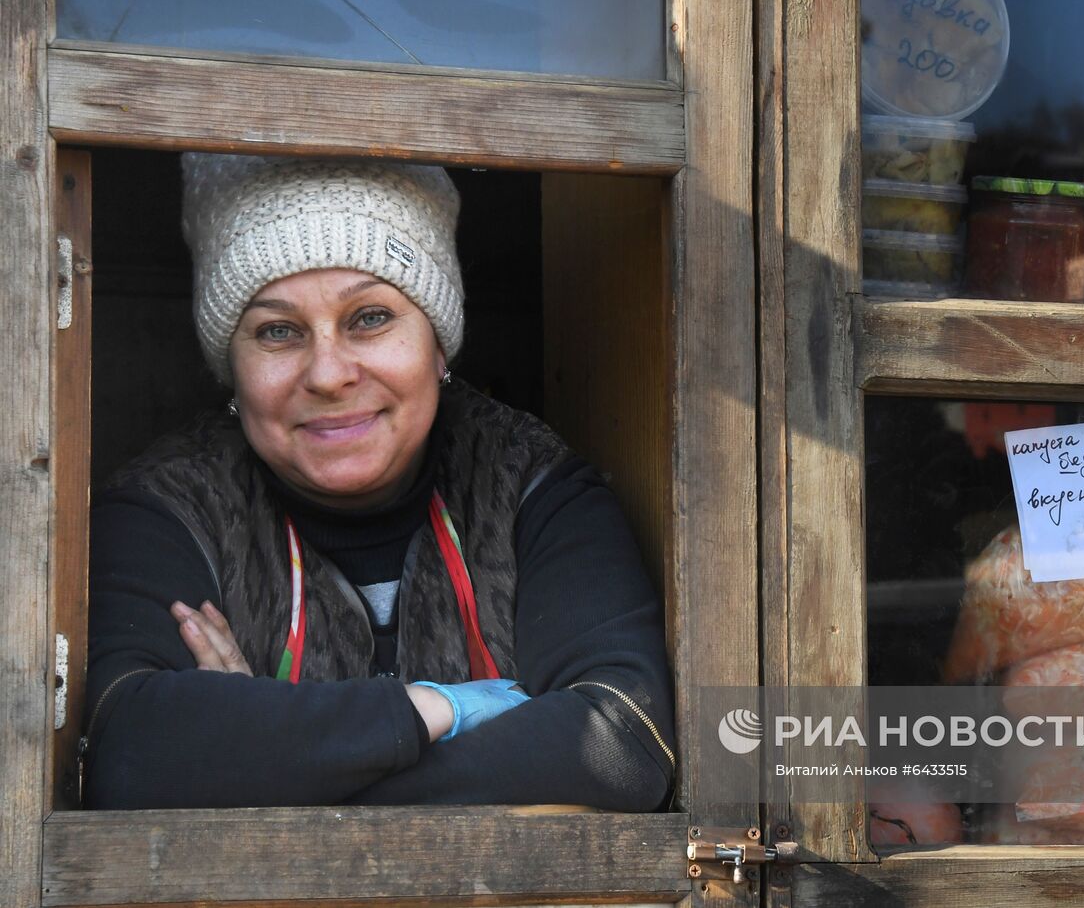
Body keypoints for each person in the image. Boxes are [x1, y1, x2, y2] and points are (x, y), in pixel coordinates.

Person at [82, 154, 676, 809]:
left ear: (439, 344)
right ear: (233, 370)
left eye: (370, 317)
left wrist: (267, 753)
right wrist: (437, 710)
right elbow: (128, 751)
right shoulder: (166, 505)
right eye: (278, 330)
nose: (329, 373)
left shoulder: (528, 480)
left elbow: (623, 739)